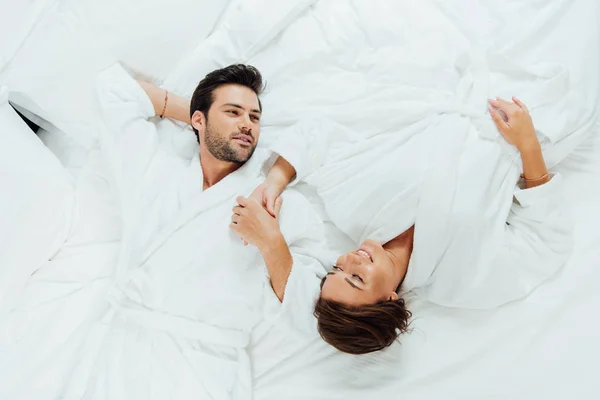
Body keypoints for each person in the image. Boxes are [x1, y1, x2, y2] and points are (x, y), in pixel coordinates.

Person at [56, 63, 329, 400]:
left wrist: (271, 233)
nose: (247, 124)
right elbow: (114, 91)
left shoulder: (275, 204)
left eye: (255, 118)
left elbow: (309, 306)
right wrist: (200, 116)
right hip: (122, 352)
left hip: (206, 370)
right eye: (233, 112)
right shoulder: (154, 172)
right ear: (197, 119)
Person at [245, 96, 573, 355]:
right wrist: (528, 143)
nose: (351, 259)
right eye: (356, 278)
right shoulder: (460, 280)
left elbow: (318, 137)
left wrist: (274, 184)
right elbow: (546, 241)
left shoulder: (351, 206)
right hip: (543, 121)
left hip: (475, 88)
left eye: (337, 268)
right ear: (390, 300)